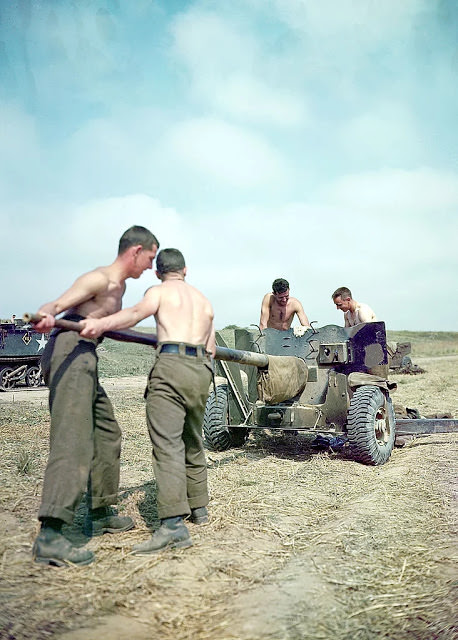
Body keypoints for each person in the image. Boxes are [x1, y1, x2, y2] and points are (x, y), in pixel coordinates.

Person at [32, 225, 160, 567]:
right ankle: (51, 534)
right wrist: (48, 313)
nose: (150, 265)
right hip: (70, 351)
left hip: (86, 355)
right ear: (135, 251)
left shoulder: (117, 290)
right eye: (149, 257)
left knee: (107, 434)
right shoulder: (100, 279)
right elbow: (57, 304)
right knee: (73, 440)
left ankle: (100, 512)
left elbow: (113, 327)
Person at [80, 248, 216, 555]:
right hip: (201, 370)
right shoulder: (204, 300)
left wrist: (100, 324)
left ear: (158, 272)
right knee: (193, 439)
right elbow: (212, 348)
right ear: (186, 270)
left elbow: (133, 315)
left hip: (171, 366)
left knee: (167, 445)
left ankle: (172, 526)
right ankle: (199, 509)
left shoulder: (159, 291)